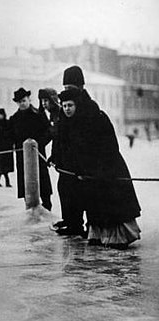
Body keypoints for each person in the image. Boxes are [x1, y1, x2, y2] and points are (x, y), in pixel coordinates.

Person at [54, 87, 141, 249]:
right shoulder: (73, 122)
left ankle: (118, 237)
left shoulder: (96, 117)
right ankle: (99, 235)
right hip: (91, 172)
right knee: (96, 204)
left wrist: (97, 168)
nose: (67, 109)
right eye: (64, 106)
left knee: (111, 203)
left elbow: (106, 146)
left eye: (70, 105)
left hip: (107, 167)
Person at [50, 65, 101, 235]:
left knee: (85, 195)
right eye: (65, 88)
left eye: (71, 87)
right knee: (65, 191)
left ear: (81, 86)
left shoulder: (90, 107)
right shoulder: (65, 107)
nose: (68, 91)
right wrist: (54, 155)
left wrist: (87, 164)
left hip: (84, 164)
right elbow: (59, 136)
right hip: (67, 163)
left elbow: (93, 140)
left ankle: (89, 227)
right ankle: (72, 224)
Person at [9, 88, 53, 210]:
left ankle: (47, 205)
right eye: (19, 102)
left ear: (29, 99)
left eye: (24, 100)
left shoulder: (38, 114)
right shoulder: (14, 119)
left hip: (38, 154)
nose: (22, 104)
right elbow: (10, 137)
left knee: (42, 180)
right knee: (25, 182)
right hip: (22, 156)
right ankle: (30, 207)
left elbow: (49, 131)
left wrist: (39, 144)